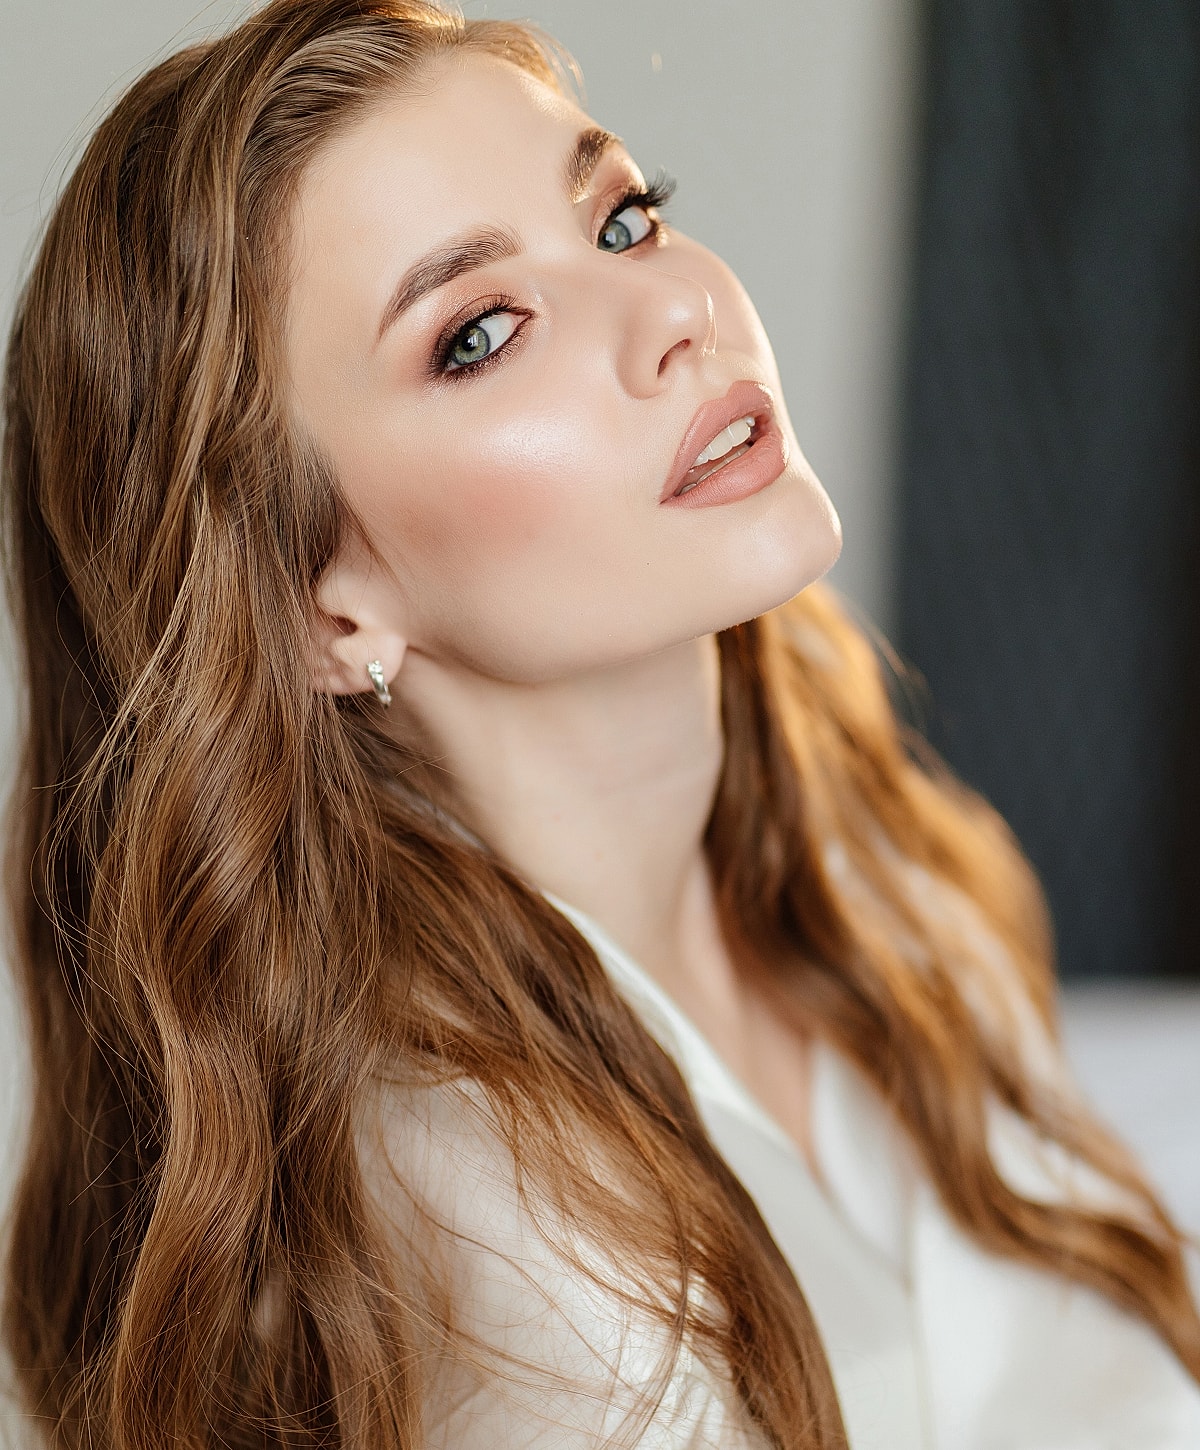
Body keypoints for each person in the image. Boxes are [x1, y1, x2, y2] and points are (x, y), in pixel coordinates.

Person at [1, 1, 1198, 1446]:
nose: (679, 308)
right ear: (326, 605)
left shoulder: (895, 882)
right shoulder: (484, 1252)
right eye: (481, 333)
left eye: (624, 218)